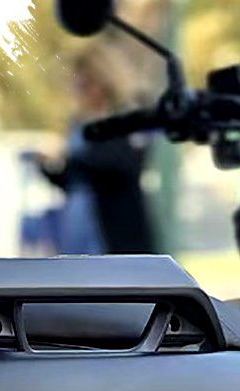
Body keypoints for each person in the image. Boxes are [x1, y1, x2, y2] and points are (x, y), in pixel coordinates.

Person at [28, 49, 159, 255]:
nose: (78, 92)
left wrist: (71, 158)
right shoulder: (77, 124)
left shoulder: (124, 121)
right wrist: (48, 166)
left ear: (103, 83)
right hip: (77, 226)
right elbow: (73, 180)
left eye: (84, 85)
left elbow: (120, 164)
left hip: (113, 231)